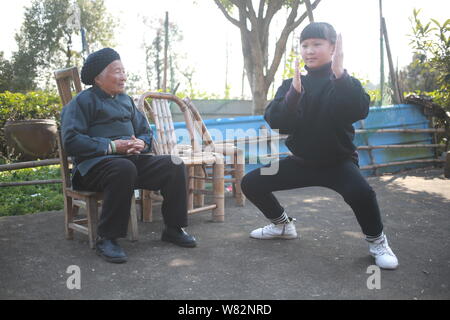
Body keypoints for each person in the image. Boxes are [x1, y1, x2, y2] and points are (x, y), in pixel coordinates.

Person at [241, 22, 398, 270]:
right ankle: (282, 225)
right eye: (304, 45)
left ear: (333, 47)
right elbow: (278, 123)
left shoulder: (345, 82)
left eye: (317, 44)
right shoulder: (291, 84)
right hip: (301, 162)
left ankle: (378, 242)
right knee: (251, 182)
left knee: (362, 194)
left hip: (338, 163)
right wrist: (293, 95)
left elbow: (356, 109)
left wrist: (340, 74)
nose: (309, 51)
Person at [61, 48, 197, 264]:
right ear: (98, 77)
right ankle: (106, 239)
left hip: (128, 162)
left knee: (174, 164)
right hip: (92, 168)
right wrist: (113, 147)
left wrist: (140, 143)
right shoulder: (81, 102)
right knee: (123, 168)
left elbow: (145, 133)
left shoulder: (126, 101)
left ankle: (173, 228)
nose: (123, 77)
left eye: (124, 71)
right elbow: (71, 141)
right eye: (117, 71)